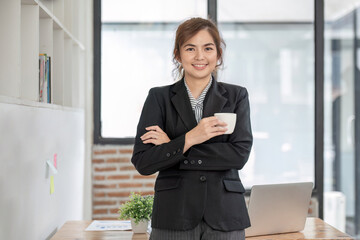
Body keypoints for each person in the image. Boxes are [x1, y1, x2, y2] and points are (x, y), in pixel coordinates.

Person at [131, 17, 253, 240]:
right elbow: (144, 162)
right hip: (173, 214)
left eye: (207, 48)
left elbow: (238, 155)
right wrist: (190, 138)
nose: (199, 57)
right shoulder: (159, 98)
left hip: (225, 214)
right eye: (190, 48)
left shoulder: (237, 96)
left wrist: (172, 146)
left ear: (218, 54)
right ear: (178, 54)